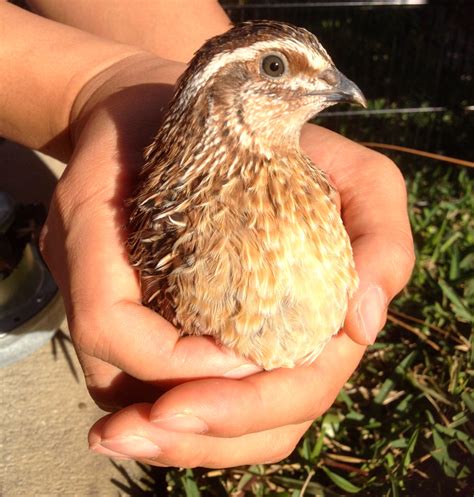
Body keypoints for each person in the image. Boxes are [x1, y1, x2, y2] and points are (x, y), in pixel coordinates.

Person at [0, 0, 414, 467]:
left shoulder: (313, 186)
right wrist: (93, 89)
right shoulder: (176, 224)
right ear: (219, 94)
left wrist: (107, 85)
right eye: (274, 67)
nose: (335, 85)